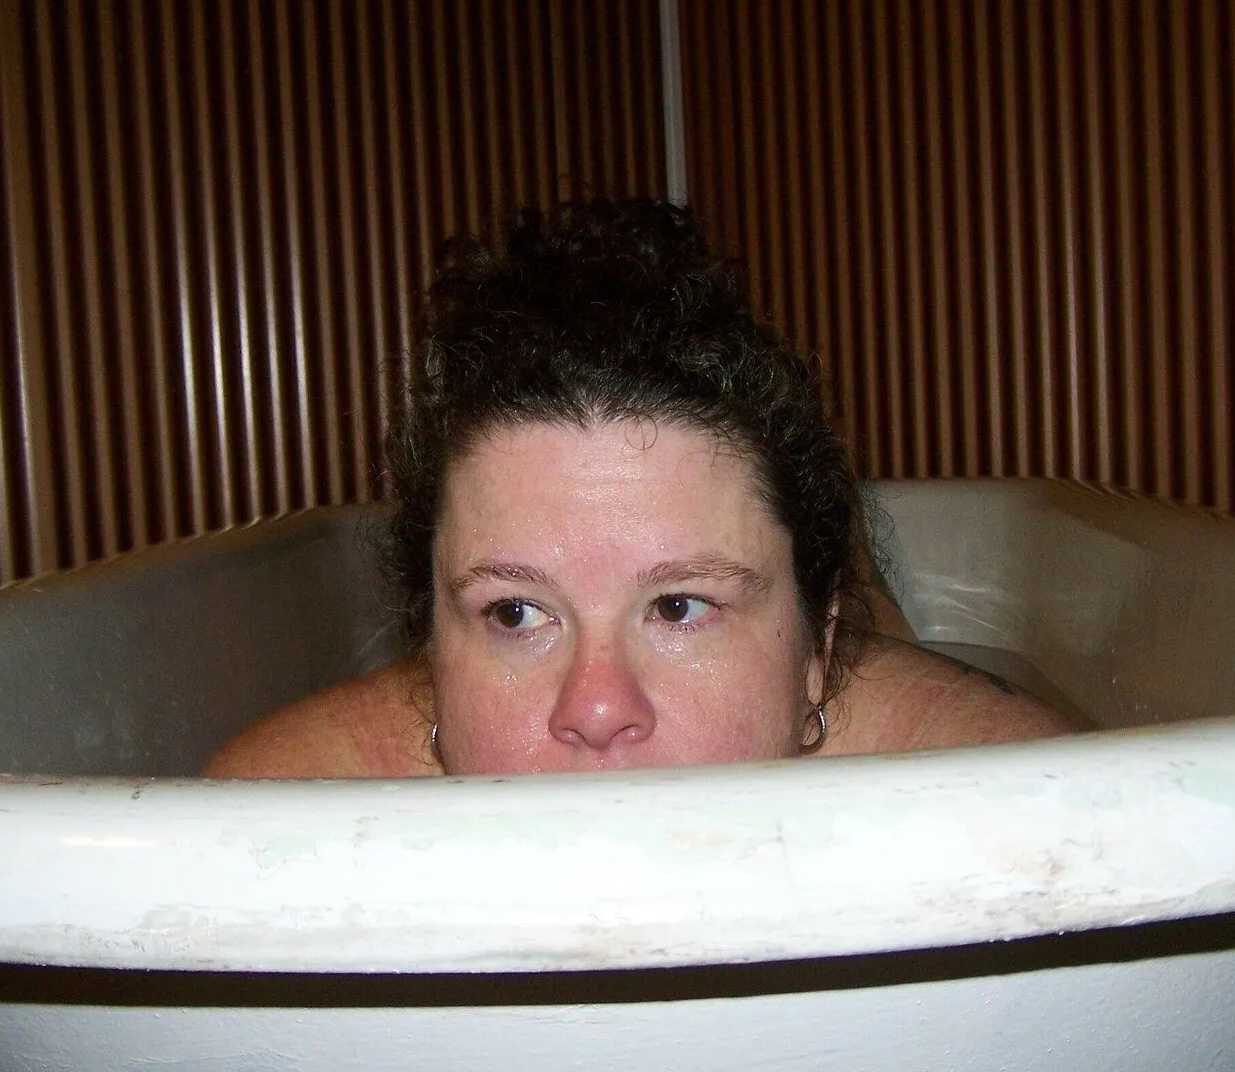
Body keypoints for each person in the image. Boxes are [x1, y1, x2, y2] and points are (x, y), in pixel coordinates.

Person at [205, 199, 1073, 778]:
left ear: (817, 653)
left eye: (680, 606)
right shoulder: (266, 818)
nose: (595, 709)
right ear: (430, 649)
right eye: (514, 612)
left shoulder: (1013, 791)